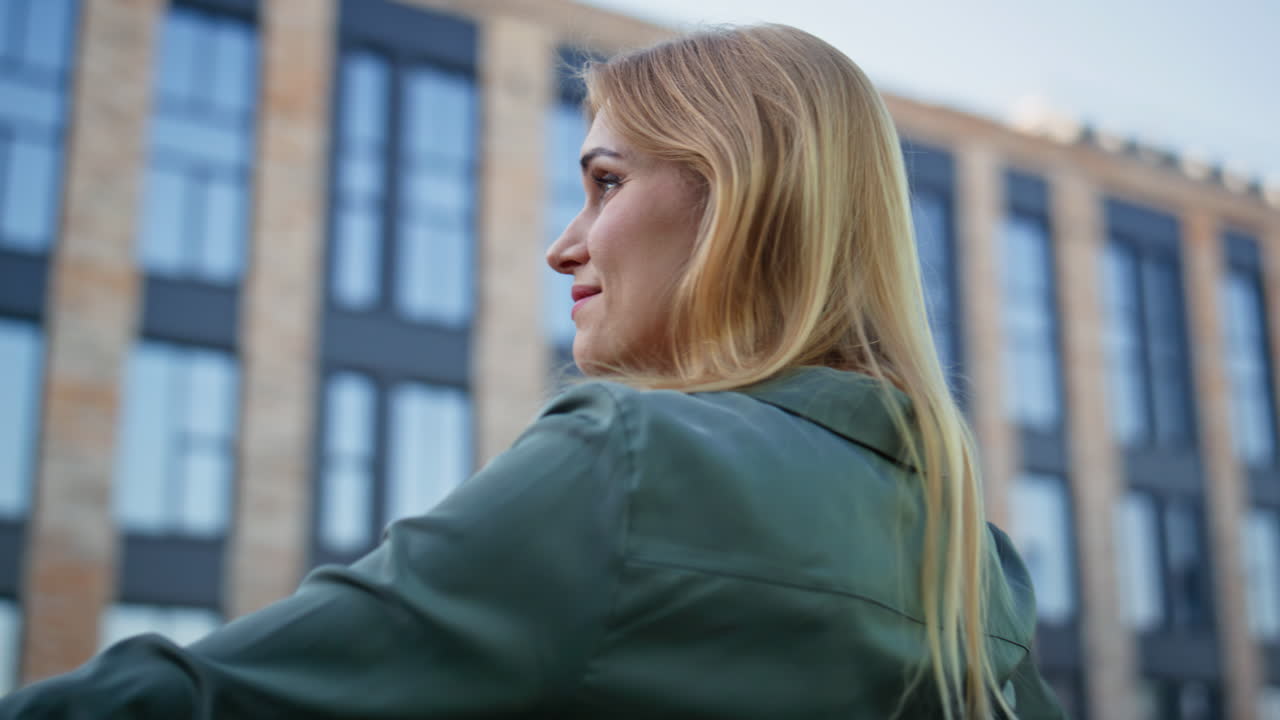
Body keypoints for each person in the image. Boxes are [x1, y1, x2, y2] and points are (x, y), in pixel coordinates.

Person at [1, 24, 1065, 719]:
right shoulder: (975, 557)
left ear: (735, 201)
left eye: (604, 183)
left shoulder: (634, 461)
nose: (564, 245)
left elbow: (219, 703)